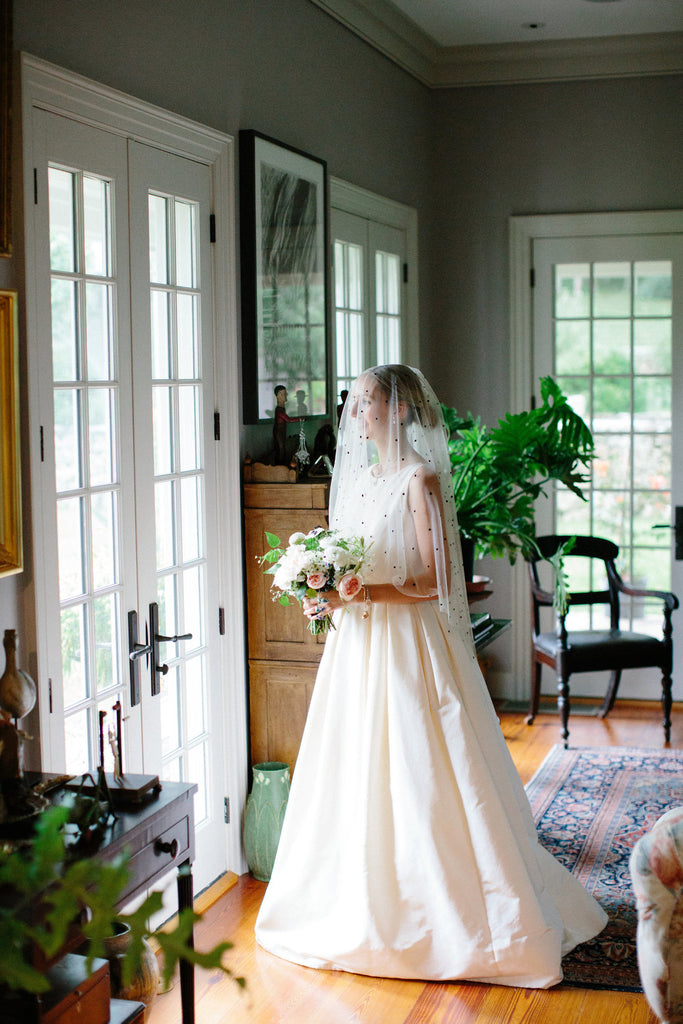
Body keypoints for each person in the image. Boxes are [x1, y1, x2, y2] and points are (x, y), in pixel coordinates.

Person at [255, 364, 606, 987]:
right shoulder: (357, 479)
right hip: (356, 648)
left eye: (365, 403)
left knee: (420, 766)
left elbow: (434, 583)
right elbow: (346, 555)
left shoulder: (421, 479)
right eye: (355, 403)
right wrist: (323, 586)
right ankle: (356, 902)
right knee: (356, 765)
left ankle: (450, 913)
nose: (355, 414)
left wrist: (360, 590)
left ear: (398, 411)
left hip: (406, 644)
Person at [272, 385, 299, 465]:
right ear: (279, 395)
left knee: (282, 449)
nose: (286, 395)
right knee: (281, 450)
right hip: (279, 433)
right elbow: (289, 419)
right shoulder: (279, 410)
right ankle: (279, 467)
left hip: (282, 432)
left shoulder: (282, 409)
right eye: (284, 394)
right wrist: (300, 419)